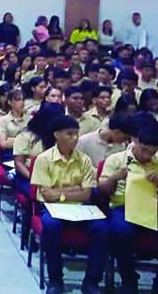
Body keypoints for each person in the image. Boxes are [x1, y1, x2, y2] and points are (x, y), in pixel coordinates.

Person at [99, 122, 158, 294]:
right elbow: (103, 190)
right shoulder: (115, 159)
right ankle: (129, 280)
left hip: (154, 208)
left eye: (152, 152)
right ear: (135, 141)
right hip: (123, 206)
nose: (147, 155)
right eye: (144, 150)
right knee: (121, 231)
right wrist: (114, 178)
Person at [30, 115, 109, 294]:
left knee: (102, 228)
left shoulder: (84, 160)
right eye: (70, 134)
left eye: (76, 134)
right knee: (51, 226)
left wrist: (60, 193)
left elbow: (87, 194)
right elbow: (47, 195)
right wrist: (73, 191)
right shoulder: (43, 159)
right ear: (57, 135)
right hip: (52, 208)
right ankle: (55, 279)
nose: (75, 138)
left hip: (81, 209)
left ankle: (91, 282)